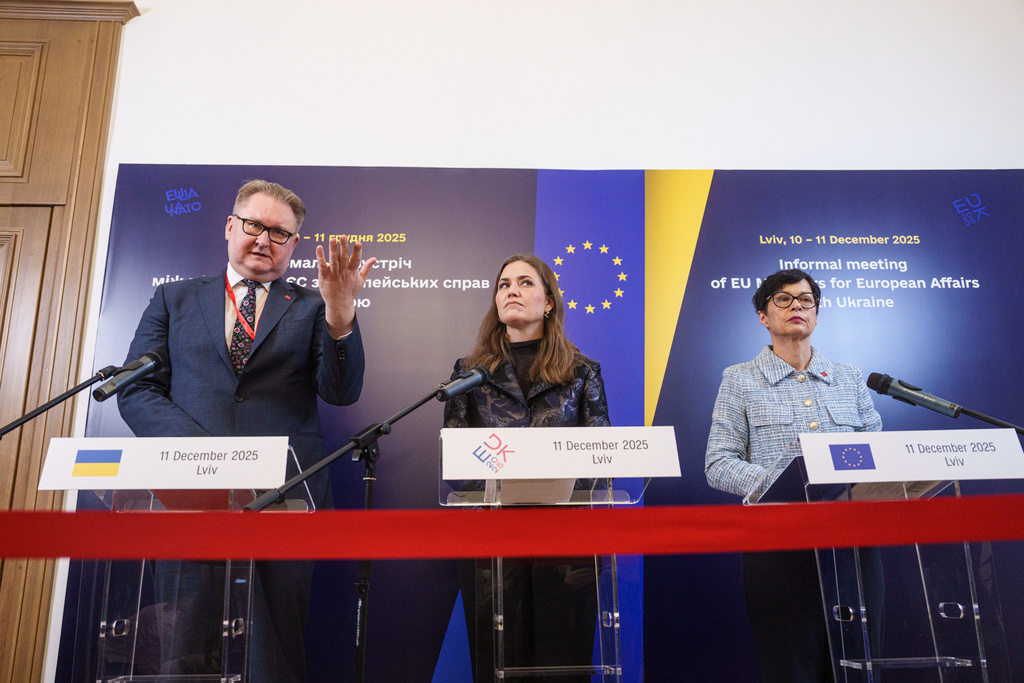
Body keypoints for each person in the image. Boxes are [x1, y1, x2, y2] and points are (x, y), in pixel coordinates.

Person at [118, 179, 376, 683]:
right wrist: (209, 459)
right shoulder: (172, 299)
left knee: (270, 653)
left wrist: (340, 314)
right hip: (188, 495)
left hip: (282, 499)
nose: (264, 239)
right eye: (254, 225)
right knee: (183, 647)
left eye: (280, 233)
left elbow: (341, 393)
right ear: (230, 226)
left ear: (294, 245)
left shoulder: (310, 307)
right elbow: (135, 390)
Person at [705, 268, 883, 683]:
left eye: (806, 300)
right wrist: (784, 485)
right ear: (763, 317)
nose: (797, 307)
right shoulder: (739, 379)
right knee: (793, 671)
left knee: (860, 669)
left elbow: (878, 456)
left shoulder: (850, 377)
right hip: (779, 546)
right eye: (783, 300)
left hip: (853, 545)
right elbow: (718, 462)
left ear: (817, 315)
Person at [443, 254, 610, 683]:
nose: (511, 291)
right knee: (497, 662)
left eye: (524, 283)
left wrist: (581, 526)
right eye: (503, 285)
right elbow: (456, 460)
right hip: (491, 542)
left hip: (564, 544)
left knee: (562, 662)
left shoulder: (582, 372)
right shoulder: (468, 373)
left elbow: (600, 459)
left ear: (549, 302)